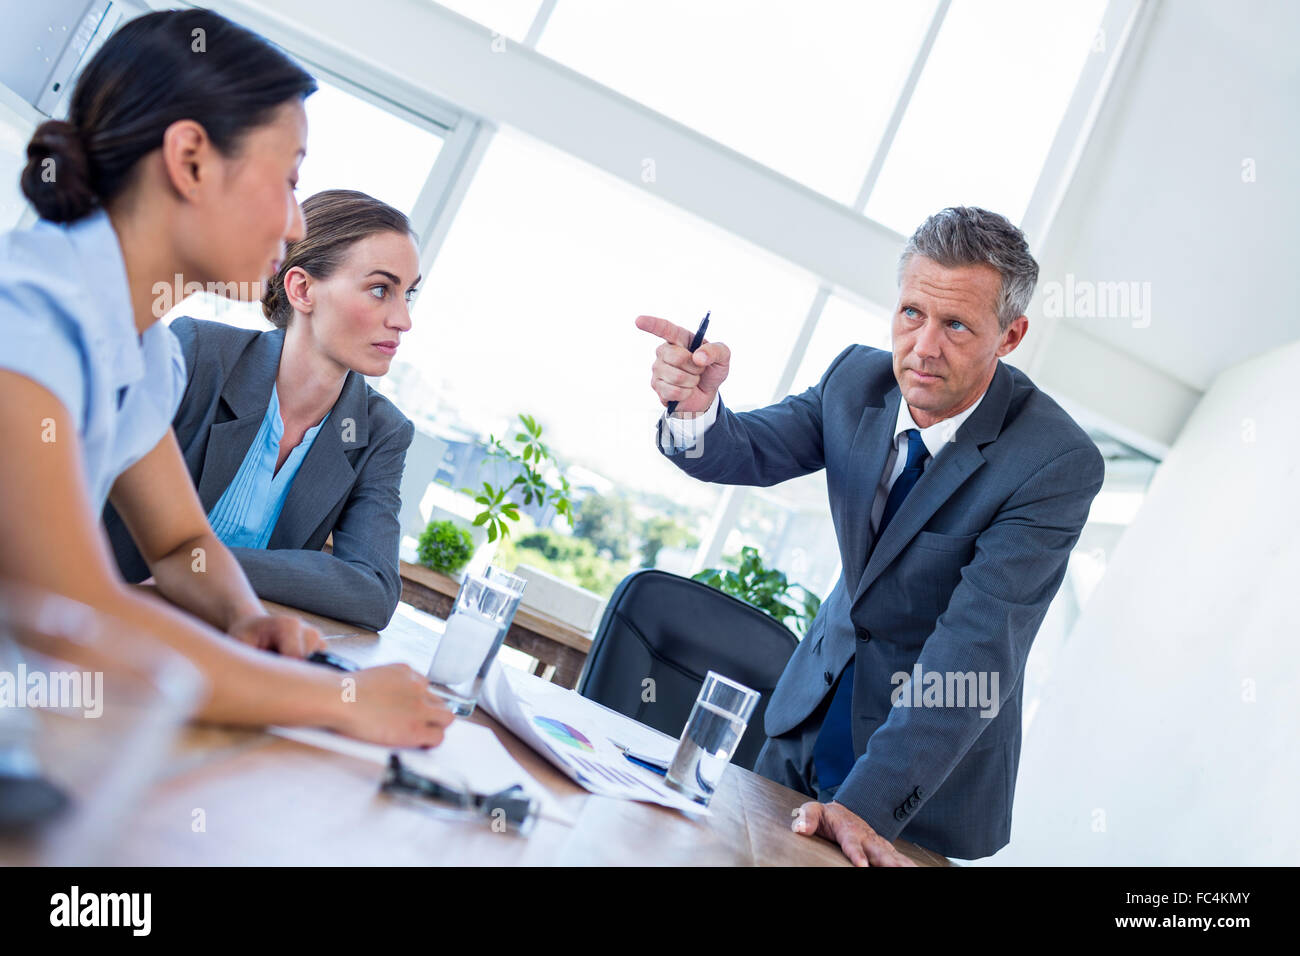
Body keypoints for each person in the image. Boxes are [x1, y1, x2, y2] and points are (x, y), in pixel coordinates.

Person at [0, 8, 451, 746]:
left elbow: (180, 545)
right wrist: (336, 699)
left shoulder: (143, 352)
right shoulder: (30, 326)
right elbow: (73, 620)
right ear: (191, 161)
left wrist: (248, 618)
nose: (298, 223)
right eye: (288, 179)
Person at [638, 206, 1105, 865]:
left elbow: (975, 648)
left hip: (920, 788)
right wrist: (696, 413)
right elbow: (744, 451)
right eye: (912, 312)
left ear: (1010, 335)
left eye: (957, 325)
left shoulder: (1052, 461)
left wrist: (867, 802)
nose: (923, 347)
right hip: (802, 729)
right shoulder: (857, 381)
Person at [105, 189, 420, 631]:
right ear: (302, 288)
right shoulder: (198, 355)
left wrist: (200, 562)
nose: (403, 319)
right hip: (99, 620)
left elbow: (373, 590)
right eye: (380, 289)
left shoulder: (381, 432)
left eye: (409, 293)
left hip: (227, 648)